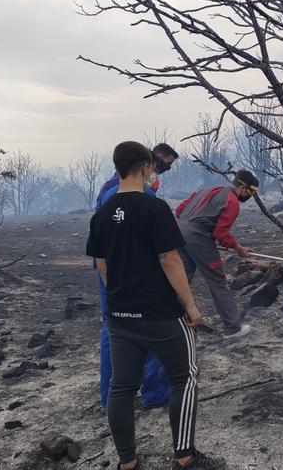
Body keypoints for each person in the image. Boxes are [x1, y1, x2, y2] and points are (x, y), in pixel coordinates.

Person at [86, 141, 225, 470]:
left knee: (121, 386)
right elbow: (169, 259)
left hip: (119, 315)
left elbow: (102, 265)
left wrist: (120, 297)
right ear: (147, 167)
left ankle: (127, 463)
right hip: (160, 313)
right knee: (185, 378)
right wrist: (190, 305)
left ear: (118, 168)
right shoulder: (154, 207)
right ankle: (185, 457)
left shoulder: (101, 214)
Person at [95, 143, 180, 409]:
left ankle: (113, 395)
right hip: (134, 273)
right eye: (160, 165)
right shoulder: (141, 196)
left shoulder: (108, 189)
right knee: (154, 327)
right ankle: (155, 393)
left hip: (109, 270)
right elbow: (165, 254)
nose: (161, 171)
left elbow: (100, 246)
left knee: (114, 328)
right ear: (146, 164)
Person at [175, 170, 259, 339]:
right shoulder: (232, 202)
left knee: (180, 278)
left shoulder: (208, 189)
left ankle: (173, 322)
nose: (249, 196)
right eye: (250, 192)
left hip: (178, 231)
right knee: (217, 281)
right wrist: (238, 248)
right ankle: (233, 327)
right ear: (242, 186)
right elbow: (221, 234)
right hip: (198, 237)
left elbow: (179, 209)